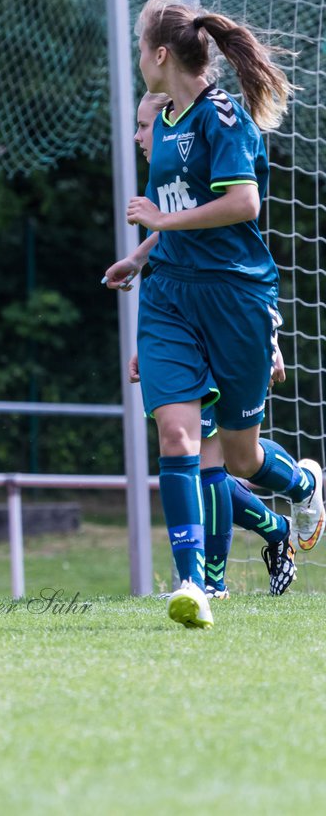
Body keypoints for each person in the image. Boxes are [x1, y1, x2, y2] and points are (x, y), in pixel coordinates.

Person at [102, 0, 319, 629]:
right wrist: (143, 255)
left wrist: (160, 221)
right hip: (170, 296)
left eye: (141, 48)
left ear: (161, 54)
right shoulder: (163, 118)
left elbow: (244, 205)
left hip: (235, 299)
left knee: (241, 458)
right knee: (178, 437)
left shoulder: (224, 118)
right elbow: (176, 213)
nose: (139, 58)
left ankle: (304, 488)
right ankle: (194, 583)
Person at [113, 91, 297, 599]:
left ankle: (295, 496)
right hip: (182, 312)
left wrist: (270, 337)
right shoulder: (168, 172)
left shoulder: (211, 131)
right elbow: (175, 233)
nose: (139, 137)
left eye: (144, 126)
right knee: (199, 455)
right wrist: (139, 262)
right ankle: (208, 580)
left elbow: (231, 244)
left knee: (224, 459)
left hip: (226, 315)